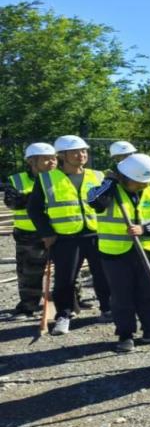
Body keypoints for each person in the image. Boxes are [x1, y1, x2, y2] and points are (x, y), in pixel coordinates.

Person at [27, 135, 111, 334]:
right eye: (75, 152)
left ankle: (107, 309)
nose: (81, 155)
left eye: (84, 151)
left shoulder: (98, 176)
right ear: (62, 156)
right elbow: (34, 209)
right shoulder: (46, 179)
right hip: (65, 237)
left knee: (103, 274)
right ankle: (64, 315)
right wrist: (47, 232)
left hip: (96, 234)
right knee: (65, 279)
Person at [88, 154, 150, 353]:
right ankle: (125, 334)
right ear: (124, 177)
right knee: (121, 295)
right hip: (116, 253)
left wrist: (146, 229)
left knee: (149, 293)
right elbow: (95, 203)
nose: (144, 184)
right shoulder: (107, 191)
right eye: (138, 181)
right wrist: (110, 182)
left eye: (147, 181)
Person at [3, 143, 57, 317]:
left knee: (67, 270)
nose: (52, 162)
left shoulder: (61, 178)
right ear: (31, 161)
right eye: (46, 159)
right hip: (29, 235)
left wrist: (29, 197)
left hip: (59, 231)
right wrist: (39, 195)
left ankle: (71, 302)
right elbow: (13, 202)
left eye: (54, 158)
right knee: (29, 273)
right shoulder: (16, 180)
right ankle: (28, 306)